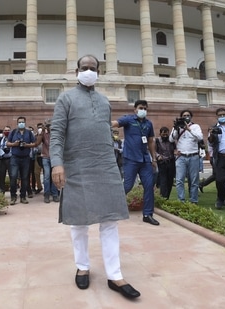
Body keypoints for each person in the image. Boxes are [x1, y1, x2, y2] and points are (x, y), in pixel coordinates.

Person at [50, 54, 140, 299]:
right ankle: (82, 267)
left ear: (98, 72)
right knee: (79, 222)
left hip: (105, 165)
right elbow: (56, 133)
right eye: (84, 68)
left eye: (92, 68)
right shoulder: (65, 98)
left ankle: (115, 275)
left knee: (110, 221)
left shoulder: (104, 101)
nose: (88, 71)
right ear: (76, 71)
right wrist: (57, 164)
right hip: (76, 167)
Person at [112, 100, 159, 226]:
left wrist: (153, 158)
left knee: (149, 186)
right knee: (127, 186)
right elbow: (115, 123)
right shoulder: (128, 120)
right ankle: (113, 208)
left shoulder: (149, 124)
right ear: (135, 109)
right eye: (140, 108)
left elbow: (150, 141)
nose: (143, 110)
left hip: (145, 160)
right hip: (130, 159)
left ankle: (147, 214)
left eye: (145, 108)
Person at [169, 110, 203, 204]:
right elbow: (171, 139)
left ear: (191, 117)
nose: (186, 117)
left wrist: (189, 129)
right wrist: (176, 128)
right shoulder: (177, 126)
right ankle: (181, 200)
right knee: (180, 180)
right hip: (181, 157)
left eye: (188, 115)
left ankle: (194, 200)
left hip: (193, 156)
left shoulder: (196, 126)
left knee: (194, 180)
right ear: (181, 117)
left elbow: (200, 137)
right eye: (184, 115)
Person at [6, 117, 37, 205]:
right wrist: (14, 144)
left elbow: (34, 144)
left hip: (26, 158)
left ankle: (23, 196)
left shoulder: (29, 133)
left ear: (25, 123)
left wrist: (27, 145)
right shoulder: (13, 132)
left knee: (25, 178)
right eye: (19, 122)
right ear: (17, 123)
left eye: (22, 122)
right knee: (13, 176)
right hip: (15, 158)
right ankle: (13, 196)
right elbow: (7, 143)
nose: (21, 123)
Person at [35, 119, 59, 203]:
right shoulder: (43, 134)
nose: (49, 127)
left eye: (50, 125)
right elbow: (37, 143)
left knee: (54, 176)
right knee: (47, 176)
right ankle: (46, 195)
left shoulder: (56, 133)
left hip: (54, 157)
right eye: (48, 125)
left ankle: (55, 194)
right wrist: (41, 132)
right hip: (45, 157)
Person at [155, 127, 175, 200]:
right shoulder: (157, 141)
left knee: (170, 181)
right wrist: (158, 156)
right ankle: (163, 197)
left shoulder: (171, 141)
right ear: (160, 134)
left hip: (171, 162)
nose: (165, 135)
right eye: (163, 134)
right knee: (163, 181)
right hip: (162, 163)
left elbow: (175, 149)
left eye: (166, 134)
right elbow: (153, 150)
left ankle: (167, 197)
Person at [0, 126, 12, 194]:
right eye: (5, 130)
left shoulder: (12, 139)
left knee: (12, 176)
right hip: (2, 159)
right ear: (3, 131)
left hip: (10, 159)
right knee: (1, 176)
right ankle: (1, 191)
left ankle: (13, 191)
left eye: (8, 130)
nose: (7, 131)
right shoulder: (0, 139)